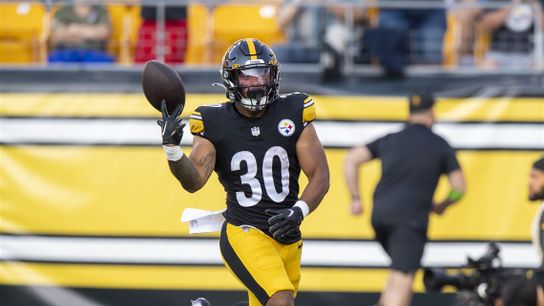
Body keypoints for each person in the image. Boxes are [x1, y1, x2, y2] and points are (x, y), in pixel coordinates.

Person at [158, 38, 330, 306]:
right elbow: (194, 181)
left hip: (288, 234)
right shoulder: (213, 121)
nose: (256, 83)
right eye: (247, 76)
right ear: (232, 80)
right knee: (280, 300)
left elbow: (320, 175)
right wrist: (172, 150)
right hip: (244, 231)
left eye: (262, 74)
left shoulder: (294, 111)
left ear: (273, 75)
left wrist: (299, 211)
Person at [343, 91, 466, 306]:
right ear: (432, 112)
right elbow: (459, 188)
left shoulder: (391, 139)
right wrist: (443, 204)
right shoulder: (440, 145)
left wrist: (356, 198)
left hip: (379, 217)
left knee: (398, 272)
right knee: (403, 277)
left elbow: (352, 159)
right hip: (409, 220)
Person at [48, 1, 114, 63]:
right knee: (54, 60)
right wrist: (92, 33)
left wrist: (73, 29)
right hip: (66, 52)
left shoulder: (100, 10)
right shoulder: (63, 11)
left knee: (106, 61)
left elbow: (104, 33)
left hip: (94, 52)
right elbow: (57, 37)